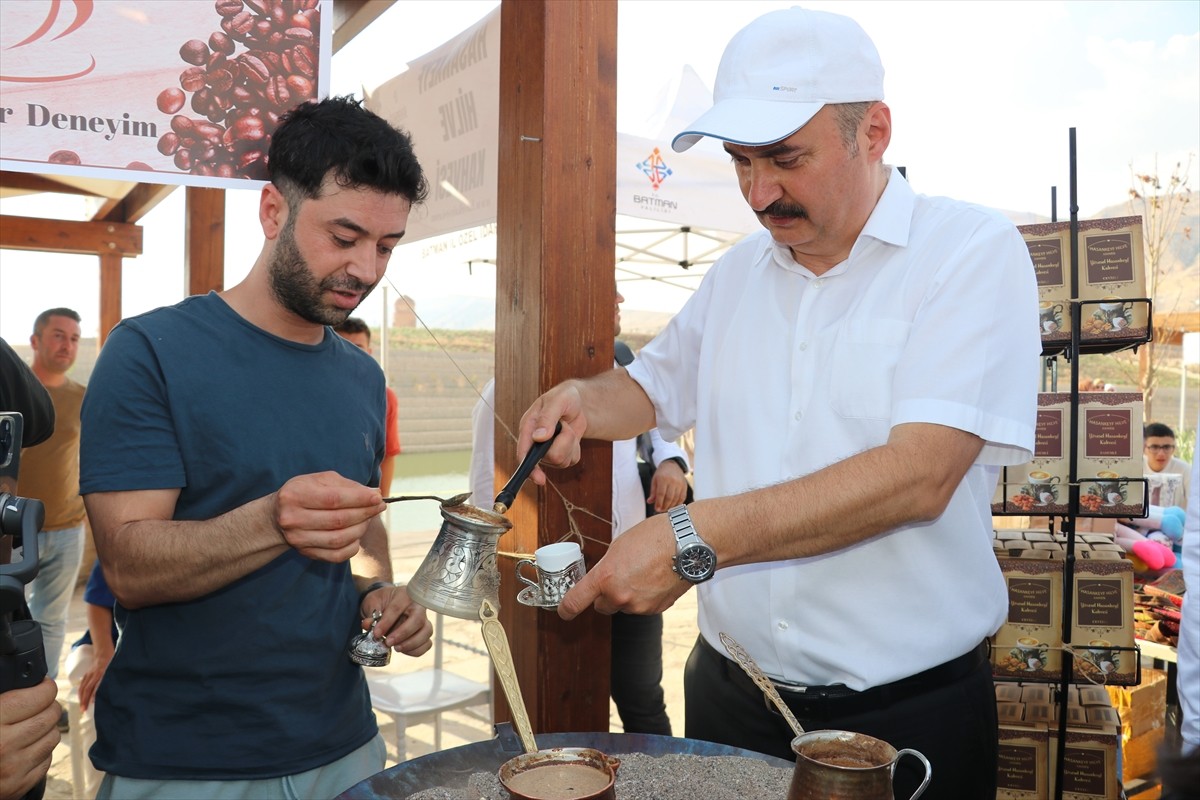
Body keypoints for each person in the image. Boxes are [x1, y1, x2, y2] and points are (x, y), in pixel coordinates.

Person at [514, 8, 1039, 799]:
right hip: (733, 695)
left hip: (906, 715)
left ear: (875, 132)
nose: (760, 193)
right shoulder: (736, 277)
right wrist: (582, 400)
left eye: (787, 158)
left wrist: (691, 538)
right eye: (740, 162)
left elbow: (919, 476)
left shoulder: (968, 252)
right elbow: (651, 388)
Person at [77, 96, 434, 799]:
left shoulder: (362, 378)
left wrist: (375, 598)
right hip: (188, 763)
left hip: (346, 744)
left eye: (386, 246)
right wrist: (271, 519)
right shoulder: (151, 351)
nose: (365, 268)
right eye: (345, 235)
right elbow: (130, 569)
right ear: (273, 212)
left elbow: (310, 573)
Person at [470, 287, 690, 735]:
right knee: (547, 710)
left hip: (631, 565)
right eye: (606, 292)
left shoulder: (625, 376)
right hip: (545, 583)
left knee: (643, 701)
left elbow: (661, 420)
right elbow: (484, 492)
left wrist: (671, 462)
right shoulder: (502, 392)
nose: (622, 298)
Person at [19, 309, 87, 731]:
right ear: (36, 340)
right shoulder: (12, 390)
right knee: (10, 619)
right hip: (13, 530)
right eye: (59, 335)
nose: (67, 345)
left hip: (67, 528)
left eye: (75, 338)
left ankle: (40, 700)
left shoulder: (83, 397)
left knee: (51, 620)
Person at [63, 560, 117, 799]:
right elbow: (97, 600)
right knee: (100, 704)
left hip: (155, 655)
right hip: (102, 647)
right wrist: (103, 656)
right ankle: (94, 794)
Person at [335, 318, 402, 497]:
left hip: (361, 499)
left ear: (369, 352)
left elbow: (388, 455)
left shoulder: (385, 397)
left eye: (358, 348)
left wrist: (382, 501)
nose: (350, 354)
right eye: (343, 346)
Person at [1144, 421, 1191, 510]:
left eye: (1166, 447)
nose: (1161, 454)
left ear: (1173, 449)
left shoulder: (1185, 470)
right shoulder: (1135, 468)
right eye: (1154, 447)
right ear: (1144, 449)